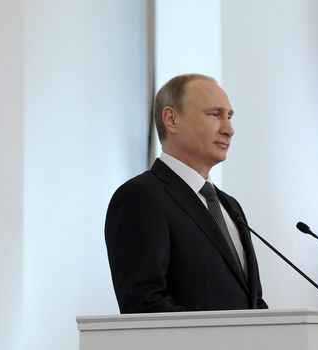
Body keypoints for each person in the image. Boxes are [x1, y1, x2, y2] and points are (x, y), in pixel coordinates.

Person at [105, 74, 267, 313]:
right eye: (215, 114)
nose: (229, 129)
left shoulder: (229, 205)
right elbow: (144, 305)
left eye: (230, 116)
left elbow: (252, 303)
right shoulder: (140, 197)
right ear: (171, 119)